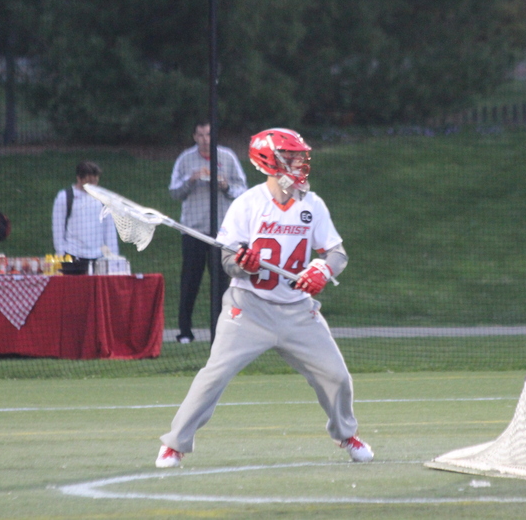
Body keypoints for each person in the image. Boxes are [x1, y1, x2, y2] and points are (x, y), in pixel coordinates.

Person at [156, 128, 373, 468]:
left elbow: (337, 252)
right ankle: (175, 444)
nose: (300, 164)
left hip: (298, 311)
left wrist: (323, 270)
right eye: (292, 157)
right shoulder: (247, 204)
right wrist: (245, 263)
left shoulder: (312, 205)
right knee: (214, 374)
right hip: (249, 307)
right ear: (269, 161)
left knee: (337, 376)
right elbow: (228, 262)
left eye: (302, 157)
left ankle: (346, 434)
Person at [169, 121, 248, 343]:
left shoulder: (227, 157)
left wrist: (225, 186)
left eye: (209, 134)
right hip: (193, 230)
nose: (205, 139)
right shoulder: (185, 159)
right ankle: (185, 332)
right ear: (194, 136)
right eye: (201, 135)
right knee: (190, 282)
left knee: (222, 284)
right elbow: (174, 192)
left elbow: (243, 190)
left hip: (222, 233)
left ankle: (221, 332)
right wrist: (191, 180)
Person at [52, 161, 119, 272]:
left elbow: (110, 230)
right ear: (79, 178)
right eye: (89, 182)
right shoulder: (65, 197)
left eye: (95, 181)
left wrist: (113, 259)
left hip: (98, 259)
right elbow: (58, 229)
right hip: (72, 257)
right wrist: (60, 254)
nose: (93, 185)